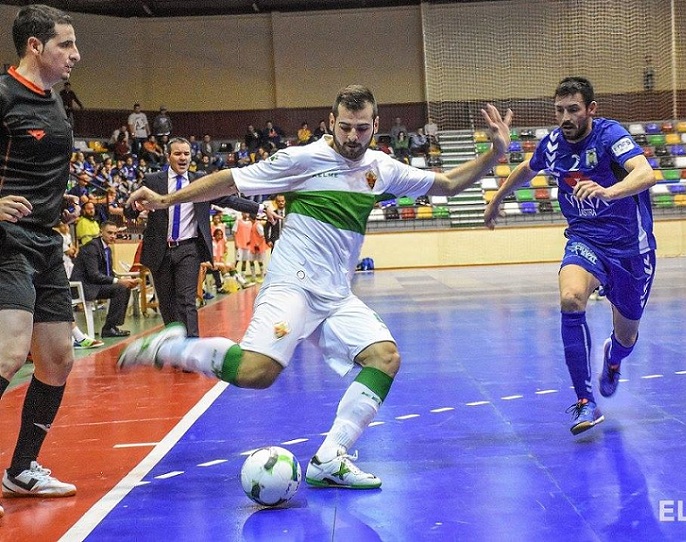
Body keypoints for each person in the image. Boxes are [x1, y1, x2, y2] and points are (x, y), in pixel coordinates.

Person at [118, 84, 512, 489]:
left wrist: (495, 155)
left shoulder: (382, 168)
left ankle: (330, 458)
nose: (353, 137)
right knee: (258, 373)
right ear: (331, 123)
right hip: (293, 285)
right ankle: (175, 347)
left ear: (375, 126)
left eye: (362, 128)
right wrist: (168, 201)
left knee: (385, 358)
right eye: (345, 127)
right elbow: (230, 181)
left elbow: (446, 184)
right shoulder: (302, 159)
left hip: (336, 294)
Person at [483, 76, 656, 436]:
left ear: (590, 110)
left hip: (630, 249)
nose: (565, 117)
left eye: (573, 109)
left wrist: (610, 192)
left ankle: (613, 360)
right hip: (585, 239)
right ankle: (585, 401)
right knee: (571, 298)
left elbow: (646, 173)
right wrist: (498, 198)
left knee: (626, 337)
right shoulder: (553, 144)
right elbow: (526, 170)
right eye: (559, 110)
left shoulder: (610, 136)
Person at [0, 4, 82, 515]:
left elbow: (40, 167)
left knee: (57, 360)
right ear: (36, 46)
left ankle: (21, 470)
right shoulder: (3, 94)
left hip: (48, 240)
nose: (75, 55)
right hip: (6, 240)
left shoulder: (55, 103)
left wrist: (62, 200)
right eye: (65, 45)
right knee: (9, 351)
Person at [123, 137, 265, 338]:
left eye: (186, 153)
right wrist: (134, 209)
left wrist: (259, 208)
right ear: (168, 156)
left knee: (186, 300)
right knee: (167, 302)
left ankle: (191, 347)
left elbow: (227, 199)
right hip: (160, 249)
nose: (183, 158)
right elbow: (130, 210)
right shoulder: (153, 181)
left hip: (188, 249)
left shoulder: (200, 180)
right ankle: (174, 344)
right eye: (177, 153)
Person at [69, 221, 139, 337]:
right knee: (120, 288)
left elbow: (109, 273)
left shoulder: (107, 249)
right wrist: (118, 281)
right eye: (110, 233)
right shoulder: (92, 247)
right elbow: (93, 275)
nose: (113, 236)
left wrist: (124, 280)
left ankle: (112, 326)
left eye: (115, 233)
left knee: (124, 287)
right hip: (84, 286)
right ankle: (109, 328)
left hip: (96, 285)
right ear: (101, 232)